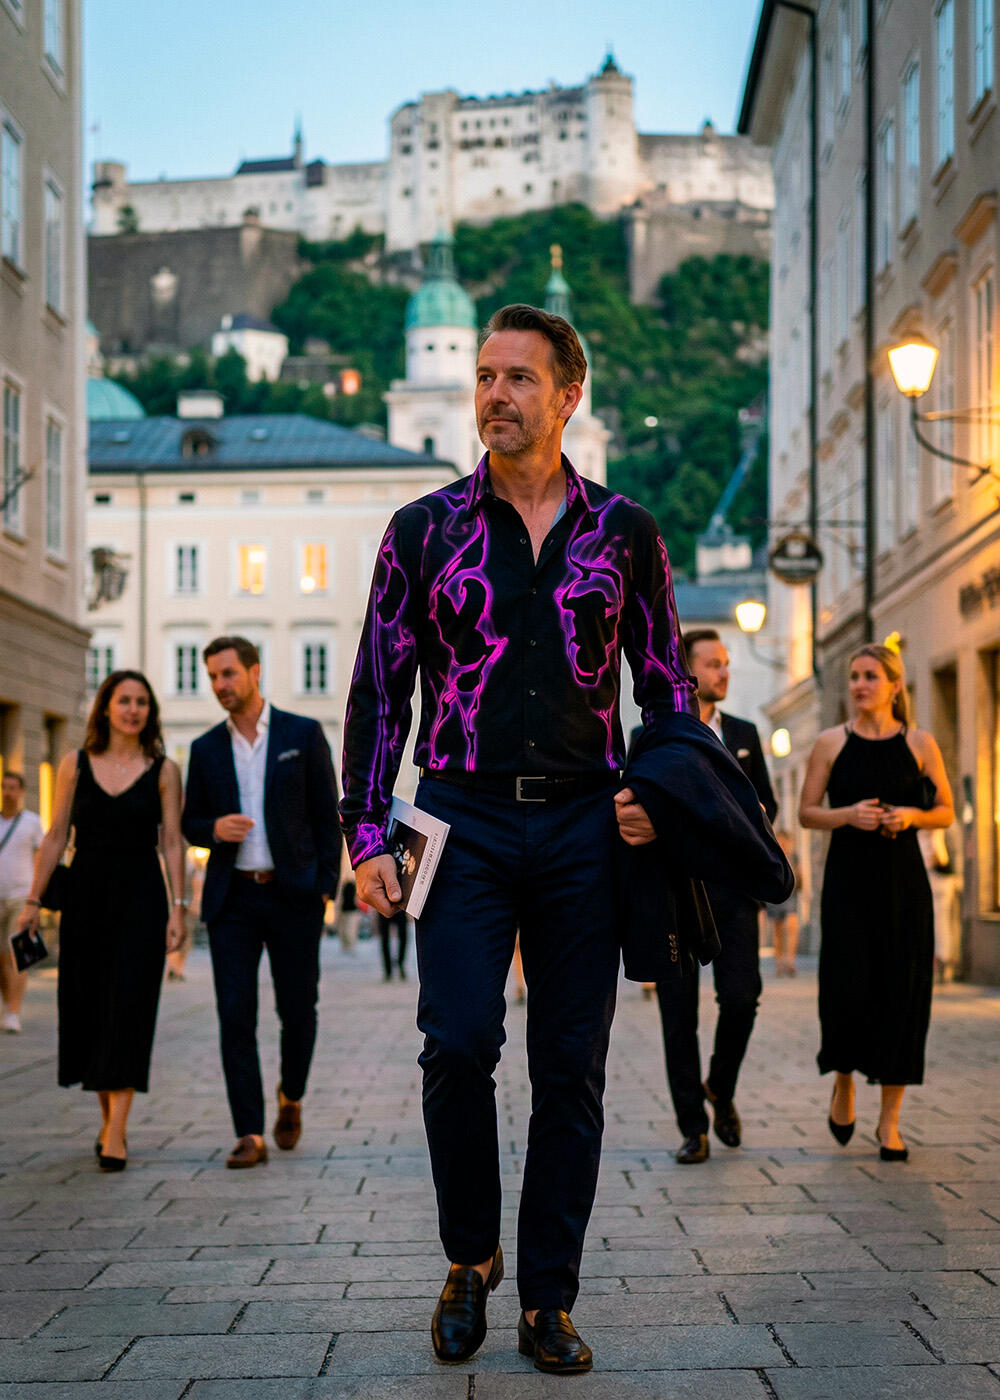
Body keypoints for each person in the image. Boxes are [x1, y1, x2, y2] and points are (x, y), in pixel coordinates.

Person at [341, 304, 698, 1375]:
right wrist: (367, 829)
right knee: (455, 1042)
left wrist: (656, 793)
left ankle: (547, 1294)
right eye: (485, 376)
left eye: (518, 378)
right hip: (458, 814)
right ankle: (467, 1256)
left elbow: (669, 686)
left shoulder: (625, 532)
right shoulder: (423, 530)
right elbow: (375, 687)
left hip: (589, 818)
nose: (495, 393)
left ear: (567, 395)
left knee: (571, 1066)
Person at [182, 636, 342, 1169]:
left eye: (228, 674)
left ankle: (290, 1096)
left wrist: (323, 886)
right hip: (233, 901)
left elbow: (328, 815)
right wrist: (213, 829)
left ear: (253, 671)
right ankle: (249, 1132)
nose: (220, 686)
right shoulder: (205, 748)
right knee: (235, 1015)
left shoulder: (302, 733)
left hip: (293, 896)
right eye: (212, 677)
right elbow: (189, 823)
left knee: (298, 1011)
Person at [16, 672, 185, 1169]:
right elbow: (53, 837)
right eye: (123, 701)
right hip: (85, 896)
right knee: (88, 1006)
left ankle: (116, 1130)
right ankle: (108, 1117)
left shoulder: (163, 769)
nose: (132, 709)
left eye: (140, 702)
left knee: (129, 1006)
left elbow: (171, 841)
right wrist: (31, 901)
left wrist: (180, 908)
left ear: (148, 712)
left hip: (142, 899)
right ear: (106, 708)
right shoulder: (74, 764)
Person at [799, 643, 954, 1161]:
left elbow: (946, 811)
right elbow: (806, 812)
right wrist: (848, 816)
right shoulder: (829, 742)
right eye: (855, 677)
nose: (861, 685)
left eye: (871, 677)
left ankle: (890, 1122)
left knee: (902, 994)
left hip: (903, 887)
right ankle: (843, 1078)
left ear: (894, 686)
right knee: (845, 989)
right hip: (847, 886)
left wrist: (910, 816)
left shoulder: (920, 743)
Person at [650, 629, 778, 1165]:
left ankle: (719, 1086)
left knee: (742, 997)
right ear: (688, 672)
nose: (726, 673)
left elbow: (766, 807)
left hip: (732, 892)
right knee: (678, 1014)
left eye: (727, 664)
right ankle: (692, 1127)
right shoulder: (653, 736)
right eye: (715, 664)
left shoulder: (744, 734)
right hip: (674, 894)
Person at [0, 772, 44, 1032]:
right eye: (4, 787)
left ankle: (14, 1012)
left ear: (22, 791)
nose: (8, 792)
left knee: (17, 957)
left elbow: (40, 857)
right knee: (1, 959)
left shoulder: (32, 822)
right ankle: (8, 1006)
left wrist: (35, 898)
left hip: (21, 897)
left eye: (13, 788)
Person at [765, 829, 801, 976]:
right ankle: (779, 962)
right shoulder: (772, 856)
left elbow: (800, 874)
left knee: (791, 928)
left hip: (791, 898)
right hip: (775, 898)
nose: (782, 843)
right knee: (778, 931)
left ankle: (790, 960)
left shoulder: (794, 857)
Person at [376, 908, 408, 981]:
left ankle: (400, 964)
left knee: (403, 937)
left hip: (401, 906)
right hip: (384, 906)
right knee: (385, 939)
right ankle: (388, 970)